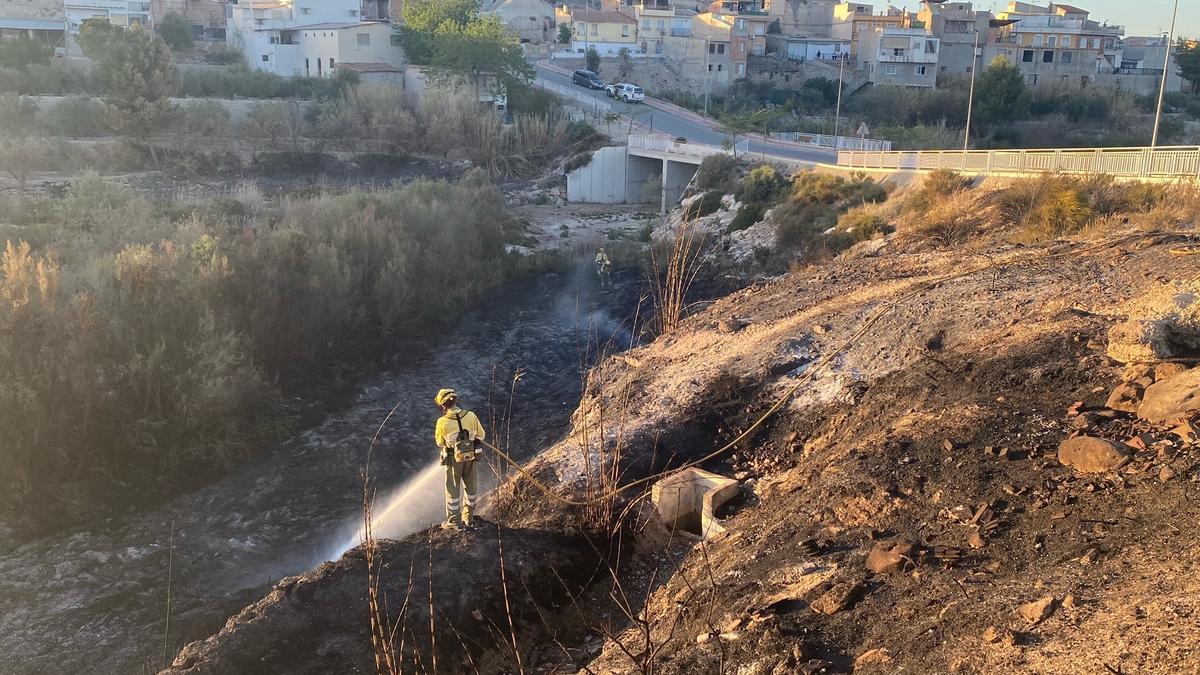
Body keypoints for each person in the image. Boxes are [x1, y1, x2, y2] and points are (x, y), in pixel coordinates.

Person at [434, 389, 486, 530]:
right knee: (471, 486)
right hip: (470, 457)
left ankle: (454, 521)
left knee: (452, 489)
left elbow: (440, 442)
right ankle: (468, 518)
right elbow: (481, 435)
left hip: (452, 459)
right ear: (456, 400)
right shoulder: (471, 416)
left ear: (443, 406)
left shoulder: (442, 422)